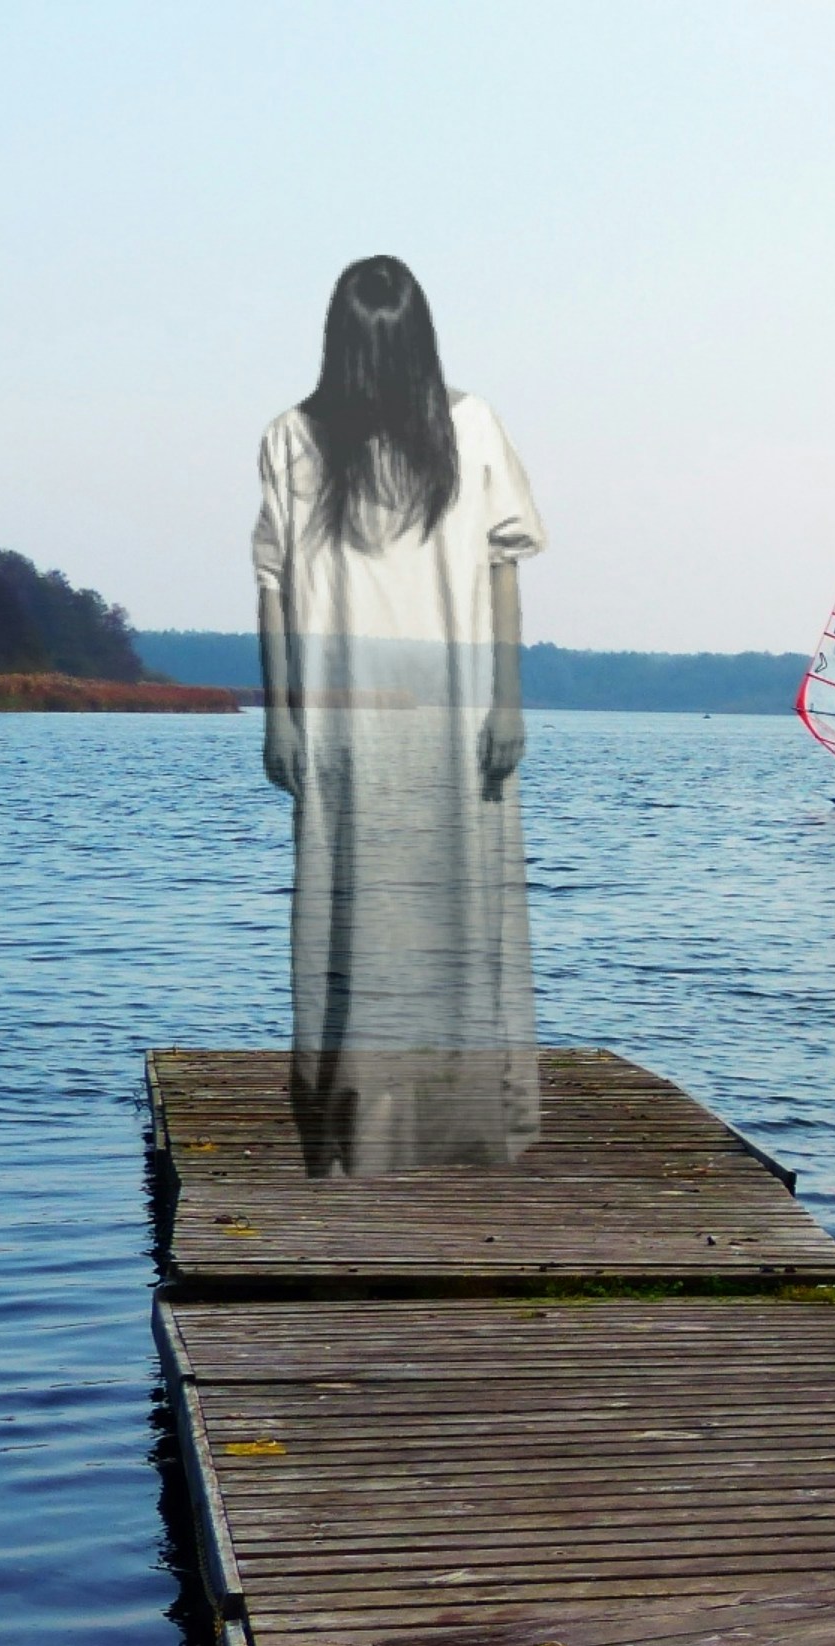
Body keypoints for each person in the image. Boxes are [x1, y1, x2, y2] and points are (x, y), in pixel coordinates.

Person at [255, 255, 548, 1175]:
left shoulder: (470, 426)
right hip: (343, 711)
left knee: (461, 916)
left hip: (456, 709)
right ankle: (356, 1131)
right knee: (351, 916)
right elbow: (271, 587)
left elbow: (503, 571)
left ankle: (465, 1126)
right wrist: (281, 716)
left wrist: (509, 702)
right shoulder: (295, 439)